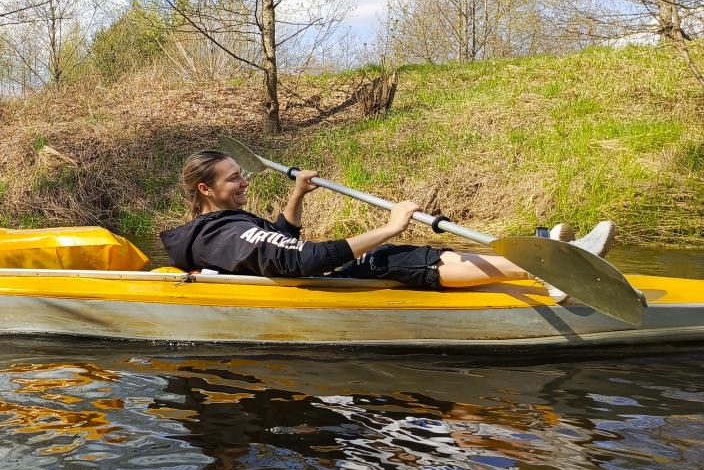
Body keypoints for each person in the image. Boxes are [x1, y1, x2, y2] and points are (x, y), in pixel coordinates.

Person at [159, 149, 613, 298]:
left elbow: (277, 241)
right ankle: (550, 265)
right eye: (234, 177)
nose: (243, 181)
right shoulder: (223, 232)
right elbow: (302, 260)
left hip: (292, 278)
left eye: (241, 173)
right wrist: (391, 226)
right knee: (385, 258)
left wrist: (296, 196)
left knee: (413, 256)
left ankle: (543, 258)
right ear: (206, 190)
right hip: (307, 289)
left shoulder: (228, 226)